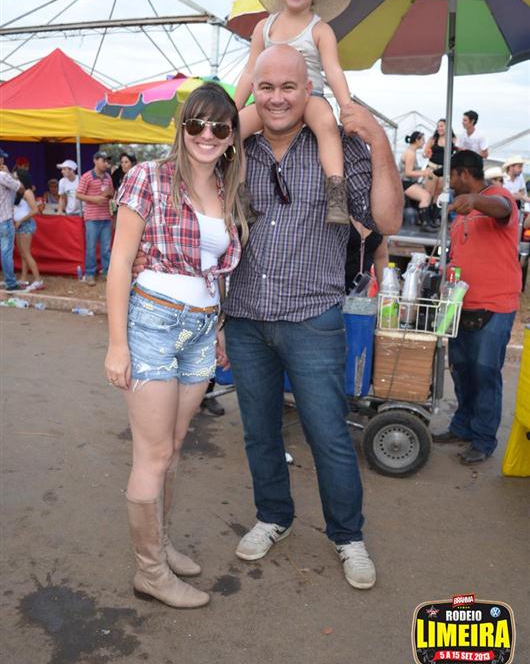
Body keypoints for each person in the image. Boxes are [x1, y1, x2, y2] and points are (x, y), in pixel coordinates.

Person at [222, 45, 402, 590]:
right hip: (245, 317)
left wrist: (380, 142)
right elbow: (183, 167)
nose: (277, 98)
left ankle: (348, 535)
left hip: (312, 318)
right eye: (266, 87)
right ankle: (273, 516)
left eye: (288, 87)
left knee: (328, 435)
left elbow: (388, 218)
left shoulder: (339, 149)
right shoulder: (234, 150)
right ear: (254, 91)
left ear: (308, 90)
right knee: (259, 431)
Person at [105, 83, 247, 609]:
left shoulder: (228, 188)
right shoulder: (149, 176)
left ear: (231, 136)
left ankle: (160, 546)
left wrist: (219, 326)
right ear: (182, 127)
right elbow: (120, 263)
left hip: (202, 327)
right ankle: (150, 573)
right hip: (153, 322)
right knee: (154, 452)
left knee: (177, 442)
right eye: (196, 124)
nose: (207, 135)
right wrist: (117, 345)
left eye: (219, 127)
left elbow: (215, 270)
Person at [235, 0, 355, 225]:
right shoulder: (264, 27)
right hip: (269, 100)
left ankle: (336, 192)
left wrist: (346, 106)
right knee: (233, 130)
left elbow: (333, 69)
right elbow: (250, 71)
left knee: (326, 124)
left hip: (308, 96)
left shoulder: (320, 29)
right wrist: (232, 107)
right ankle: (239, 196)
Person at [432, 151, 521, 464]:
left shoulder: (498, 197)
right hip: (461, 304)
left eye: (451, 176)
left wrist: (475, 200)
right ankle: (462, 426)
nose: (448, 182)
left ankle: (483, 439)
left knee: (485, 373)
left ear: (463, 173)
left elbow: (503, 208)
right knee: (461, 369)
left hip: (495, 304)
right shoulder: (461, 212)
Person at [76, 152, 114, 285]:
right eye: (103, 161)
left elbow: (112, 193)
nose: (106, 164)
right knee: (91, 248)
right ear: (95, 161)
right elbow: (78, 195)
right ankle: (90, 273)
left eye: (107, 161)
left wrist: (110, 194)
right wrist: (94, 199)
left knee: (106, 248)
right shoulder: (87, 176)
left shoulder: (108, 177)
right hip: (92, 218)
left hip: (106, 217)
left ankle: (107, 272)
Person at [13, 170, 43, 291]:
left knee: (26, 253)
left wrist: (21, 220)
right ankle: (24, 278)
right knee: (22, 253)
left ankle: (38, 280)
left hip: (25, 224)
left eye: (16, 178)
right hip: (19, 225)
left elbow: (35, 210)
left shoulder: (27, 192)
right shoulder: (18, 192)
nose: (14, 180)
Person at [399, 132, 435, 229]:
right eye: (423, 140)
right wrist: (424, 173)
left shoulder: (411, 151)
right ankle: (425, 224)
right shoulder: (410, 153)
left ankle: (425, 221)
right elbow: (408, 172)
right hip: (405, 182)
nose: (424, 142)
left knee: (427, 194)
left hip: (407, 182)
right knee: (425, 196)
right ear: (417, 140)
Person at [0, 149, 24, 292]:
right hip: (4, 219)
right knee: (6, 252)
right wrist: (10, 174)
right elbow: (21, 188)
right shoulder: (3, 175)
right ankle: (10, 282)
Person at [345, 219, 388, 293]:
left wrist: (384, 291)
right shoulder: (341, 215)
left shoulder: (379, 221)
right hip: (335, 286)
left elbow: (381, 257)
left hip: (361, 292)